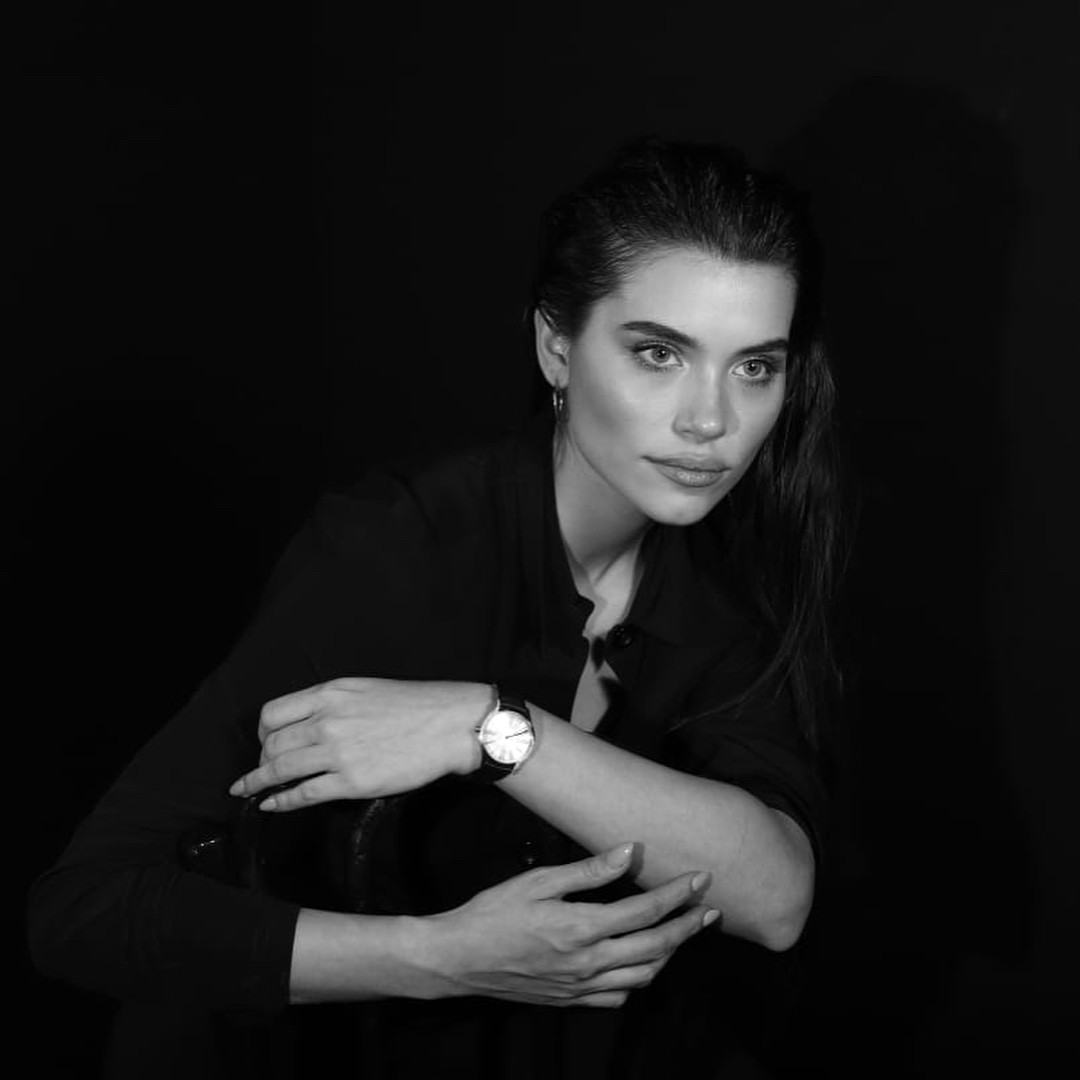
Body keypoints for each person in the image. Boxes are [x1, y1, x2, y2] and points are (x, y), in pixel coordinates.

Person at [27, 137, 843, 1078]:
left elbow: (775, 898)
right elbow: (85, 910)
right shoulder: (399, 550)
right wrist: (435, 958)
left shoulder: (725, 587)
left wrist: (488, 728)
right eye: (659, 354)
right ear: (556, 347)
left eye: (754, 368)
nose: (710, 420)